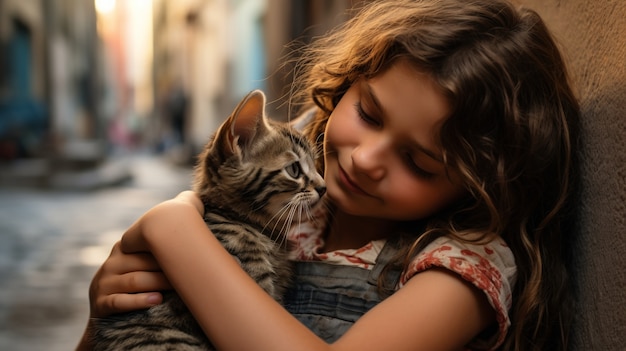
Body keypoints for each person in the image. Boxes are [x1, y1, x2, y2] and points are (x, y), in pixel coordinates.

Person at [77, 0, 580, 350]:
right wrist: (103, 320)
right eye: (369, 114)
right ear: (345, 86)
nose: (365, 159)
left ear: (479, 189)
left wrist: (174, 229)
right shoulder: (290, 219)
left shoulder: (461, 268)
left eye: (418, 162)